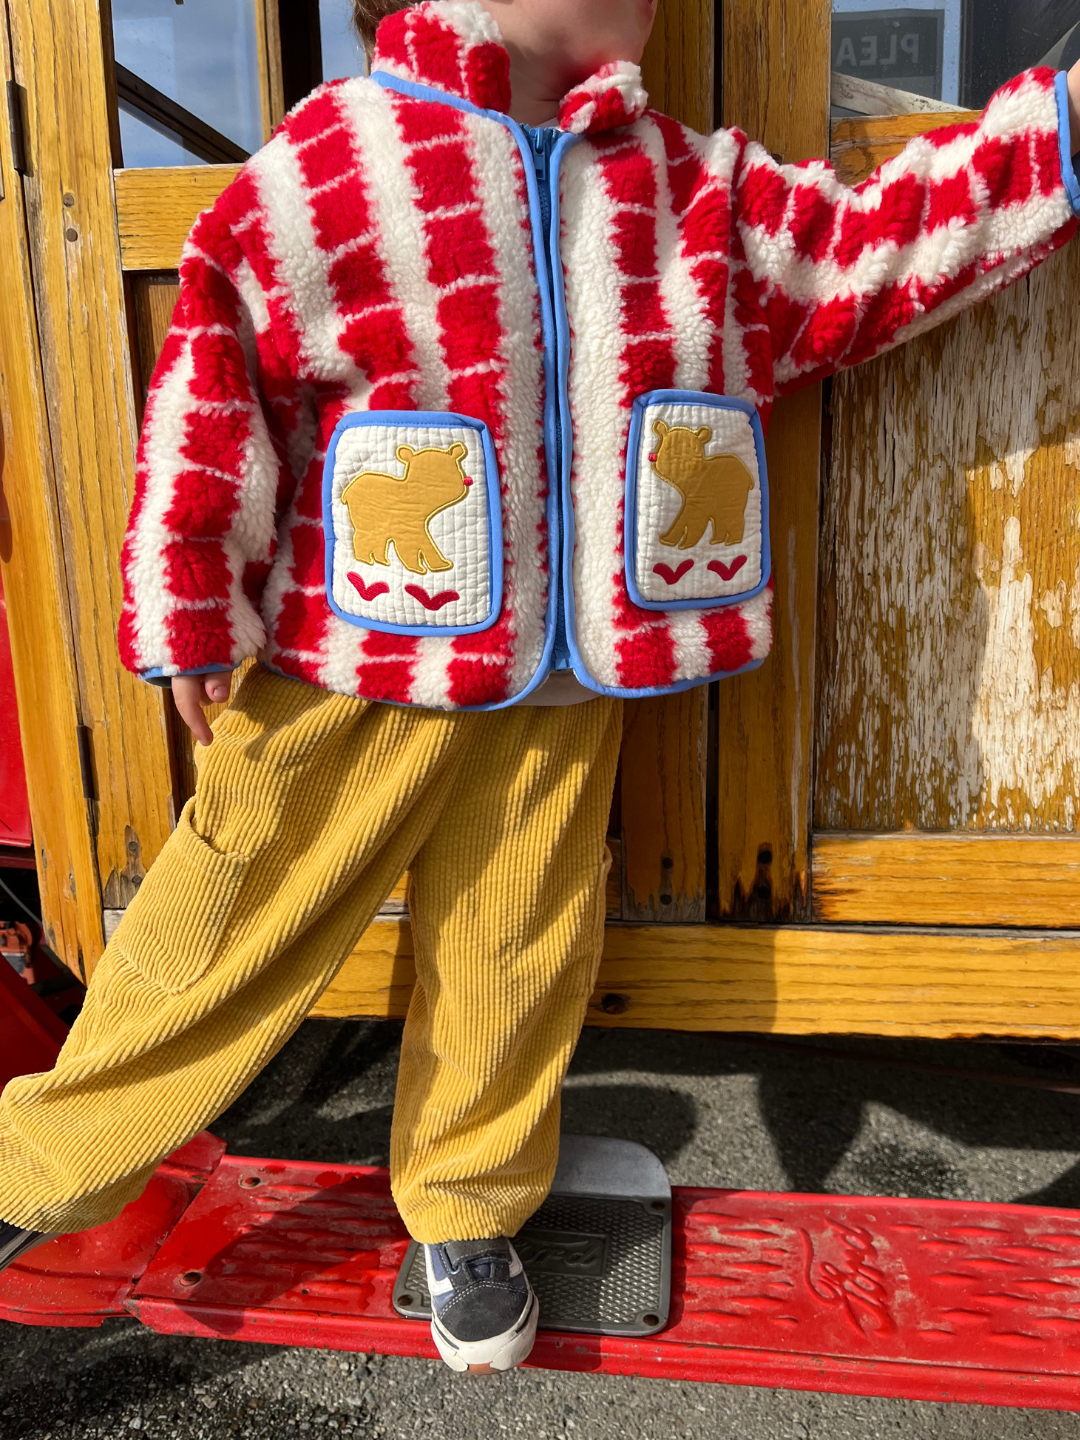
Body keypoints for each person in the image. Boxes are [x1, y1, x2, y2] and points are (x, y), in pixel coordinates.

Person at [2, 0, 1080, 1376]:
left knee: (519, 946)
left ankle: (465, 1207)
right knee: (226, 917)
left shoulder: (686, 185)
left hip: (572, 670)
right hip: (357, 653)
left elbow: (855, 260)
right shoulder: (340, 159)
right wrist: (187, 596)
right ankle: (36, 1168)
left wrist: (1046, 140)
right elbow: (214, 375)